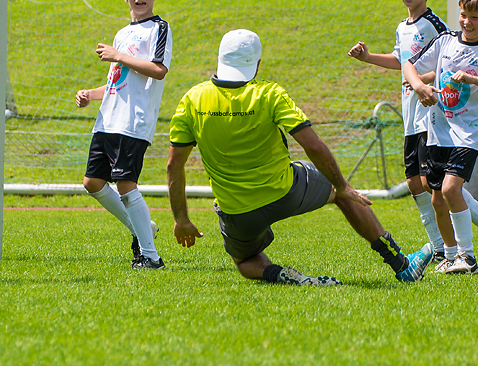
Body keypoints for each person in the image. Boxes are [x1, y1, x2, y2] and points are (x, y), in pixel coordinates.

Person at [167, 29, 433, 285]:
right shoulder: (269, 94)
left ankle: (278, 274)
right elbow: (313, 146)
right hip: (285, 191)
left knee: (244, 260)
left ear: (220, 59)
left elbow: (173, 166)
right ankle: (401, 265)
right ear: (257, 64)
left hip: (236, 210)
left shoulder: (192, 99)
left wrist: (181, 220)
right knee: (342, 193)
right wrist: (341, 185)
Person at [348, 0, 478, 273]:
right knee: (424, 187)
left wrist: (440, 82)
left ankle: (459, 252)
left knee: (441, 188)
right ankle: (459, 243)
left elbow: (469, 73)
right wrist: (376, 61)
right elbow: (407, 62)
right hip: (423, 119)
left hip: (446, 123)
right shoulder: (413, 29)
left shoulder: (439, 28)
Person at [404, 0, 478, 275]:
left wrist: (475, 79)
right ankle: (451, 256)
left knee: (451, 189)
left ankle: (468, 257)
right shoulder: (445, 41)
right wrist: (419, 86)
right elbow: (409, 65)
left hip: (468, 134)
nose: (467, 22)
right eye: (464, 14)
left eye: (475, 17)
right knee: (437, 197)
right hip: (438, 131)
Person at [75, 0, 171, 269]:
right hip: (108, 119)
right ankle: (143, 229)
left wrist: (118, 55)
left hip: (133, 121)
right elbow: (117, 81)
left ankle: (151, 257)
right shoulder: (122, 34)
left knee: (126, 184)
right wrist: (90, 94)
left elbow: (158, 70)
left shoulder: (159, 28)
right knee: (93, 182)